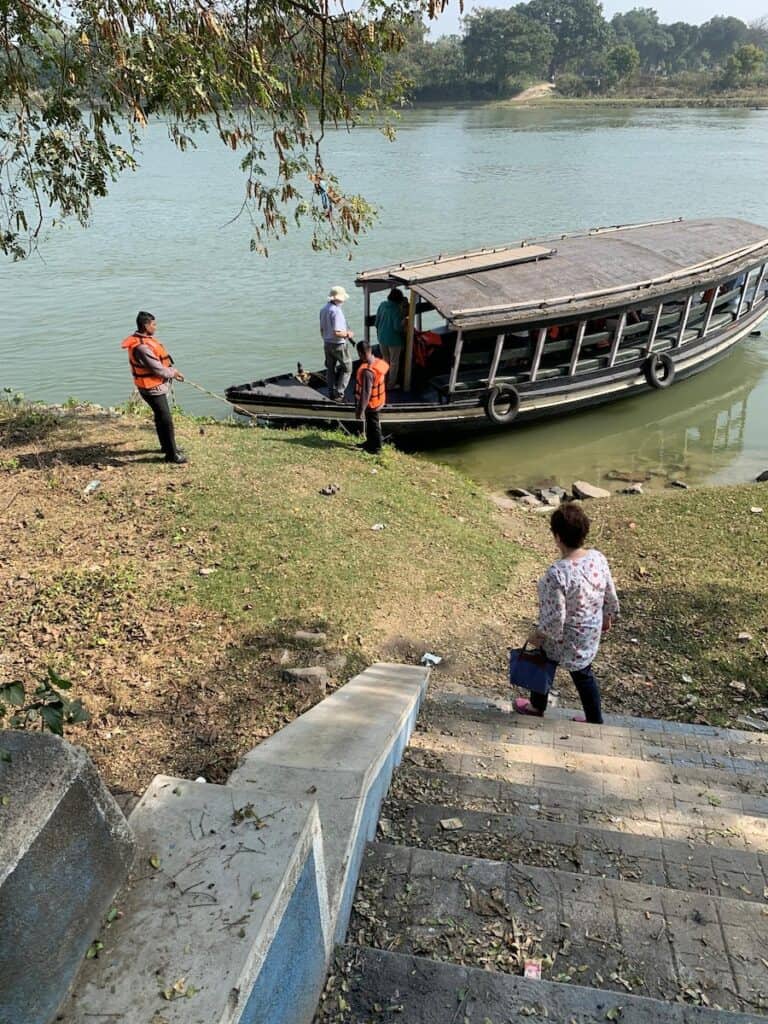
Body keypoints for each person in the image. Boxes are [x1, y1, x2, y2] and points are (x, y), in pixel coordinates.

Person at [515, 502, 619, 724]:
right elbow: (609, 592)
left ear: (557, 537)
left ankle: (536, 706)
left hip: (566, 637)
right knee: (583, 674)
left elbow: (555, 618)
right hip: (590, 631)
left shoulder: (557, 574)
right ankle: (594, 719)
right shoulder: (598, 558)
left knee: (544, 660)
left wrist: (538, 636)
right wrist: (608, 616)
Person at [121, 311, 187, 464]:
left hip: (152, 386)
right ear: (146, 326)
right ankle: (172, 455)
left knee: (160, 417)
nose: (155, 327)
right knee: (166, 420)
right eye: (153, 325)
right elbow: (158, 369)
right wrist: (173, 372)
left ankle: (167, 448)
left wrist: (170, 372)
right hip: (151, 389)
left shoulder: (143, 341)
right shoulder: (142, 348)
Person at [320, 286, 354, 402]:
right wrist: (348, 334)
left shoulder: (324, 309)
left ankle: (330, 391)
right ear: (339, 299)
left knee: (330, 368)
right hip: (338, 344)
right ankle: (339, 394)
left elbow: (322, 329)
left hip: (327, 343)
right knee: (347, 368)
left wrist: (326, 339)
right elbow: (337, 332)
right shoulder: (336, 311)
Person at [355, 341, 389, 455]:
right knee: (370, 424)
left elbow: (366, 393)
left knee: (374, 426)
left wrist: (360, 410)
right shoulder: (377, 362)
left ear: (360, 353)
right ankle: (369, 443)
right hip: (379, 400)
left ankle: (377, 448)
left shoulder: (367, 372)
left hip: (372, 404)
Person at [375, 287, 406, 388]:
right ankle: (391, 384)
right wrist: (404, 322)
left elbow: (376, 322)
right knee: (394, 363)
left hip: (382, 338)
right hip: (394, 341)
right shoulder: (397, 310)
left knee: (385, 360)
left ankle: (382, 380)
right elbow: (397, 328)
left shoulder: (382, 305)